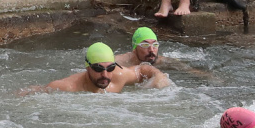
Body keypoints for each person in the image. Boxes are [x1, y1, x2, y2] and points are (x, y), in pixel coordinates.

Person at [28, 42, 169, 94]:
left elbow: (142, 69)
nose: (105, 74)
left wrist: (158, 76)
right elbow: (38, 90)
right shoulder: (68, 87)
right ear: (87, 67)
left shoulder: (119, 76)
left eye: (110, 68)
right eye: (98, 69)